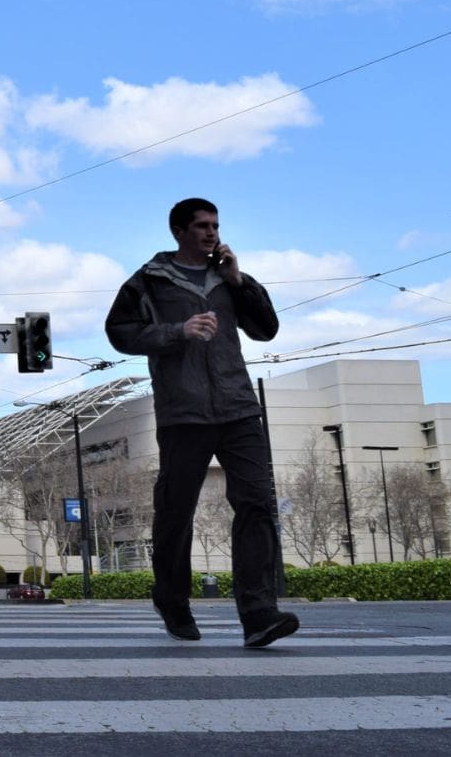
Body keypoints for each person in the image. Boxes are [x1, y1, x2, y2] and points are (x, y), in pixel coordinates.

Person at [105, 197, 299, 648]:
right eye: (201, 226)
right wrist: (176, 332)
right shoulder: (149, 281)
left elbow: (266, 329)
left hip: (238, 407)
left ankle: (258, 614)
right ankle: (172, 600)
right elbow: (120, 332)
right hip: (183, 412)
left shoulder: (229, 279)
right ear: (178, 231)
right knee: (176, 511)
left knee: (256, 504)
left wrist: (240, 282)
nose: (211, 233)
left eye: (215, 225)